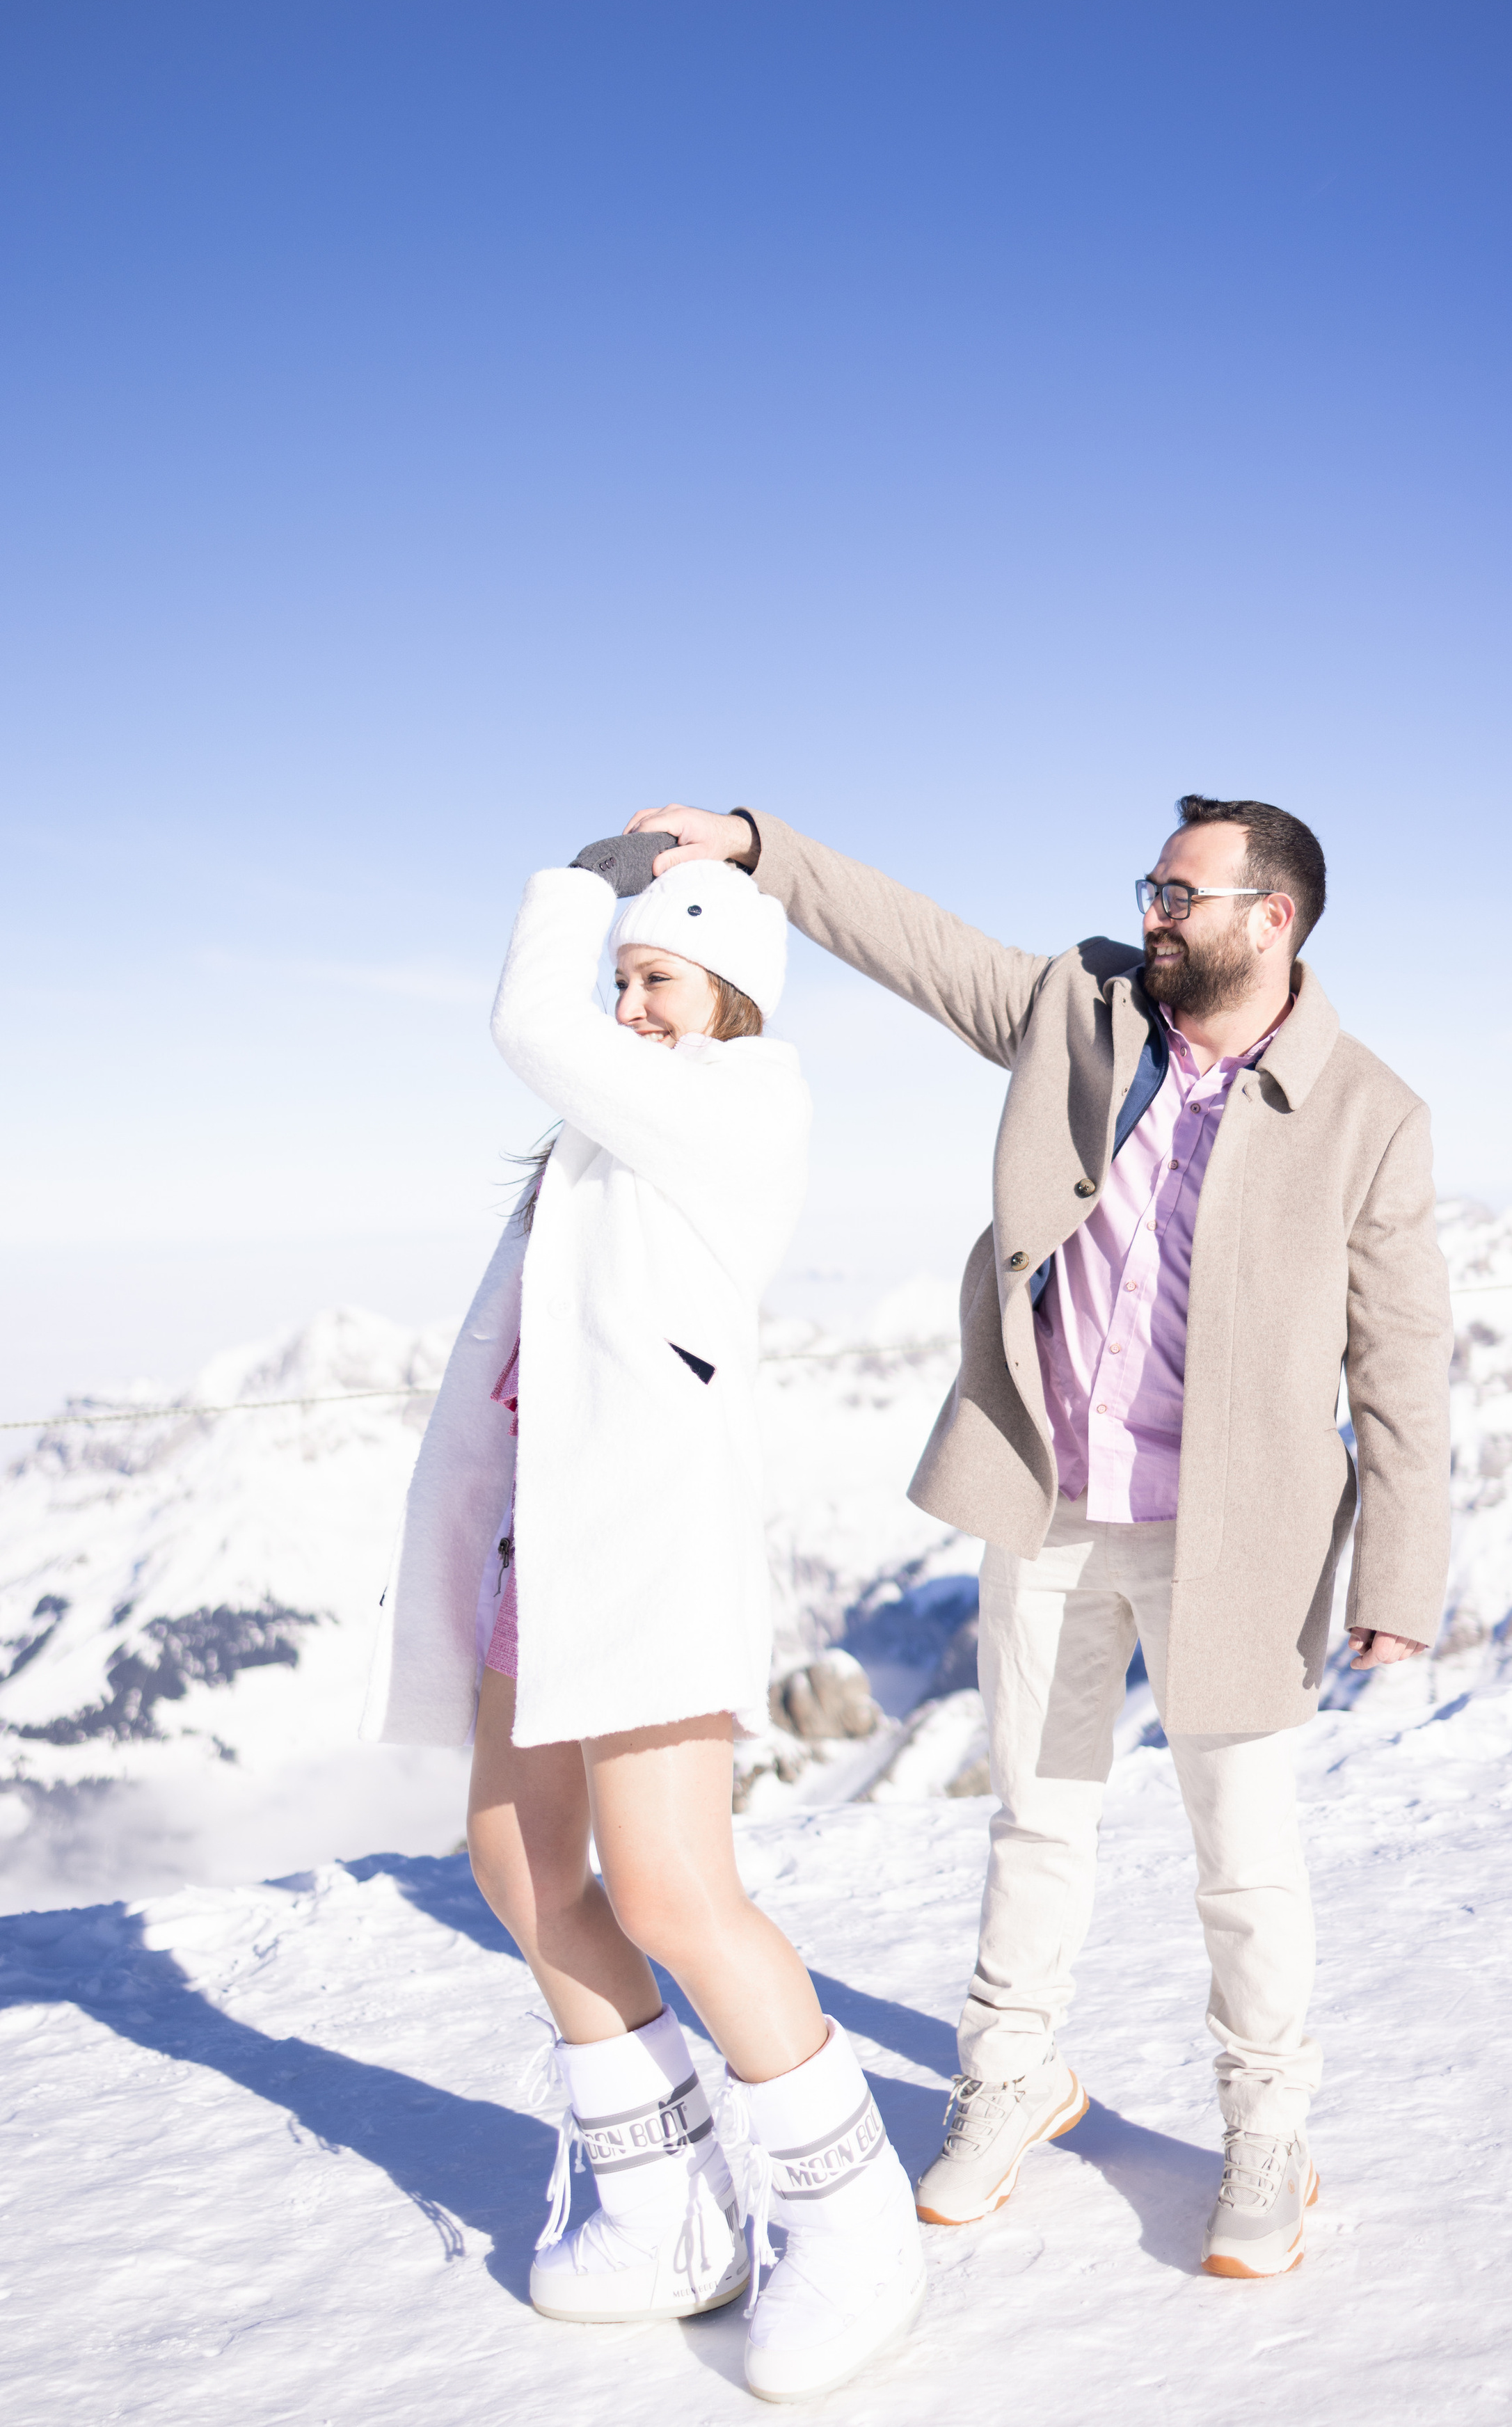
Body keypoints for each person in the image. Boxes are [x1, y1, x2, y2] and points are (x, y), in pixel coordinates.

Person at [623, 795, 1451, 2282]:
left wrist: (1398, 1568)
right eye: (1149, 886)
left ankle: (1267, 2128)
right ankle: (1011, 2074)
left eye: (1180, 893)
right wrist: (757, 845)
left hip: (1235, 1541)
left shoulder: (1369, 1113)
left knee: (1243, 1860)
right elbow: (915, 942)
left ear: (1271, 919)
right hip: (1050, 1504)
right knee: (1036, 1818)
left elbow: (1400, 1358)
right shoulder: (1082, 1006)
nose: (1151, 912)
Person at [363, 838, 925, 2403]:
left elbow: (527, 1024)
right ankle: (666, 2198)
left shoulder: (742, 1100)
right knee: (518, 1863)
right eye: (619, 977)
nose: (628, 1004)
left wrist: (576, 881)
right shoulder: (603, 1133)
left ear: (730, 989)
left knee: (674, 1889)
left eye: (655, 975)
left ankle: (853, 2219)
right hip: (541, 1547)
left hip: (649, 1550)